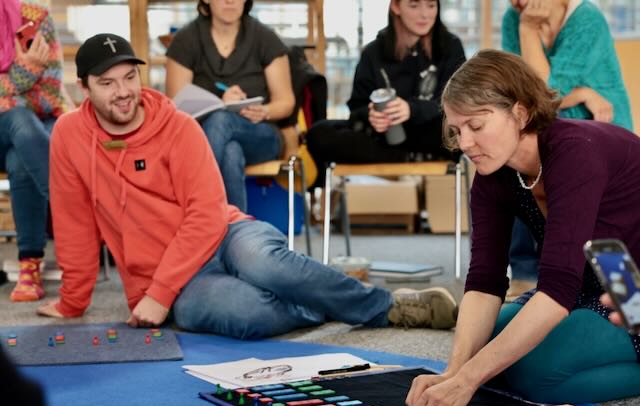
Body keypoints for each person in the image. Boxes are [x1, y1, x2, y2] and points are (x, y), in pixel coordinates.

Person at [35, 33, 458, 339]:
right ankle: (324, 300)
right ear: (82, 88)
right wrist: (73, 301)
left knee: (266, 265)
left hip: (223, 233)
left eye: (130, 78)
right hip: (168, 277)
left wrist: (159, 295)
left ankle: (387, 306)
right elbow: (74, 221)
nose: (123, 92)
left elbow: (206, 214)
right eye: (107, 83)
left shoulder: (178, 126)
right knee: (243, 312)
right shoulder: (70, 136)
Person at [405, 50, 640, 406]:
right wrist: (455, 371)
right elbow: (485, 281)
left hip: (629, 287)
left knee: (534, 371)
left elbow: (557, 288)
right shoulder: (494, 172)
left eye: (476, 126)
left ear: (520, 112)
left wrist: (468, 379)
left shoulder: (574, 151)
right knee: (490, 343)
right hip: (589, 281)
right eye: (457, 130)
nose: (464, 143)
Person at [502, 0, 633, 298]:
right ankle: (526, 273)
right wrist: (583, 93)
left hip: (601, 127)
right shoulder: (514, 16)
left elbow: (545, 92)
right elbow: (515, 90)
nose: (517, 2)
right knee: (517, 165)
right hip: (548, 125)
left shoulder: (587, 19)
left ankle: (617, 290)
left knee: (591, 210)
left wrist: (528, 31)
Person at [305, 0, 465, 187]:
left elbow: (457, 102)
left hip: (429, 132)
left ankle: (410, 155)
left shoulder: (451, 46)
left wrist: (411, 109)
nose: (425, 14)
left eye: (431, 6)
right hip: (383, 137)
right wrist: (371, 115)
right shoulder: (373, 52)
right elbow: (356, 107)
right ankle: (408, 157)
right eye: (414, 6)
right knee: (319, 132)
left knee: (456, 132)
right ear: (396, 7)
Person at [164, 0, 295, 212]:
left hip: (261, 134)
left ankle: (193, 208)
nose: (230, 1)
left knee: (221, 120)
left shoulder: (265, 38)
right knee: (231, 153)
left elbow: (286, 102)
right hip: (206, 138)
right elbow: (175, 109)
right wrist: (220, 102)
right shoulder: (185, 40)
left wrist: (264, 111)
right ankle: (233, 231)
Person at [0, 0, 69, 302]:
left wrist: (7, 93)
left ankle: (30, 265)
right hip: (26, 129)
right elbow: (34, 90)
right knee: (20, 120)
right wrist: (26, 71)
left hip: (37, 129)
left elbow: (50, 94)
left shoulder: (36, 18)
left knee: (20, 158)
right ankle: (79, 214)